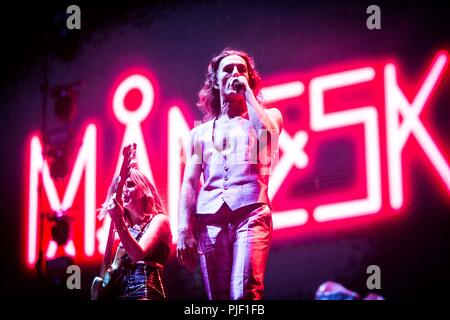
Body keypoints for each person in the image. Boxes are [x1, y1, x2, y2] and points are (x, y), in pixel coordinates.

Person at [177, 48, 283, 300]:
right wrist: (183, 229)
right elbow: (190, 183)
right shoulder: (198, 134)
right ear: (215, 80)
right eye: (228, 69)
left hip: (251, 213)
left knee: (245, 294)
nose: (235, 73)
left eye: (241, 69)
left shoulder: (269, 116)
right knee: (218, 297)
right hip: (210, 220)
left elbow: (266, 138)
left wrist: (247, 92)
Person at [101, 168, 172, 300]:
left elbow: (137, 254)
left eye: (130, 184)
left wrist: (118, 220)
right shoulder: (128, 231)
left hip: (146, 294)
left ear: (144, 189)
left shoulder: (159, 221)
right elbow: (114, 270)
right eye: (119, 188)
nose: (124, 190)